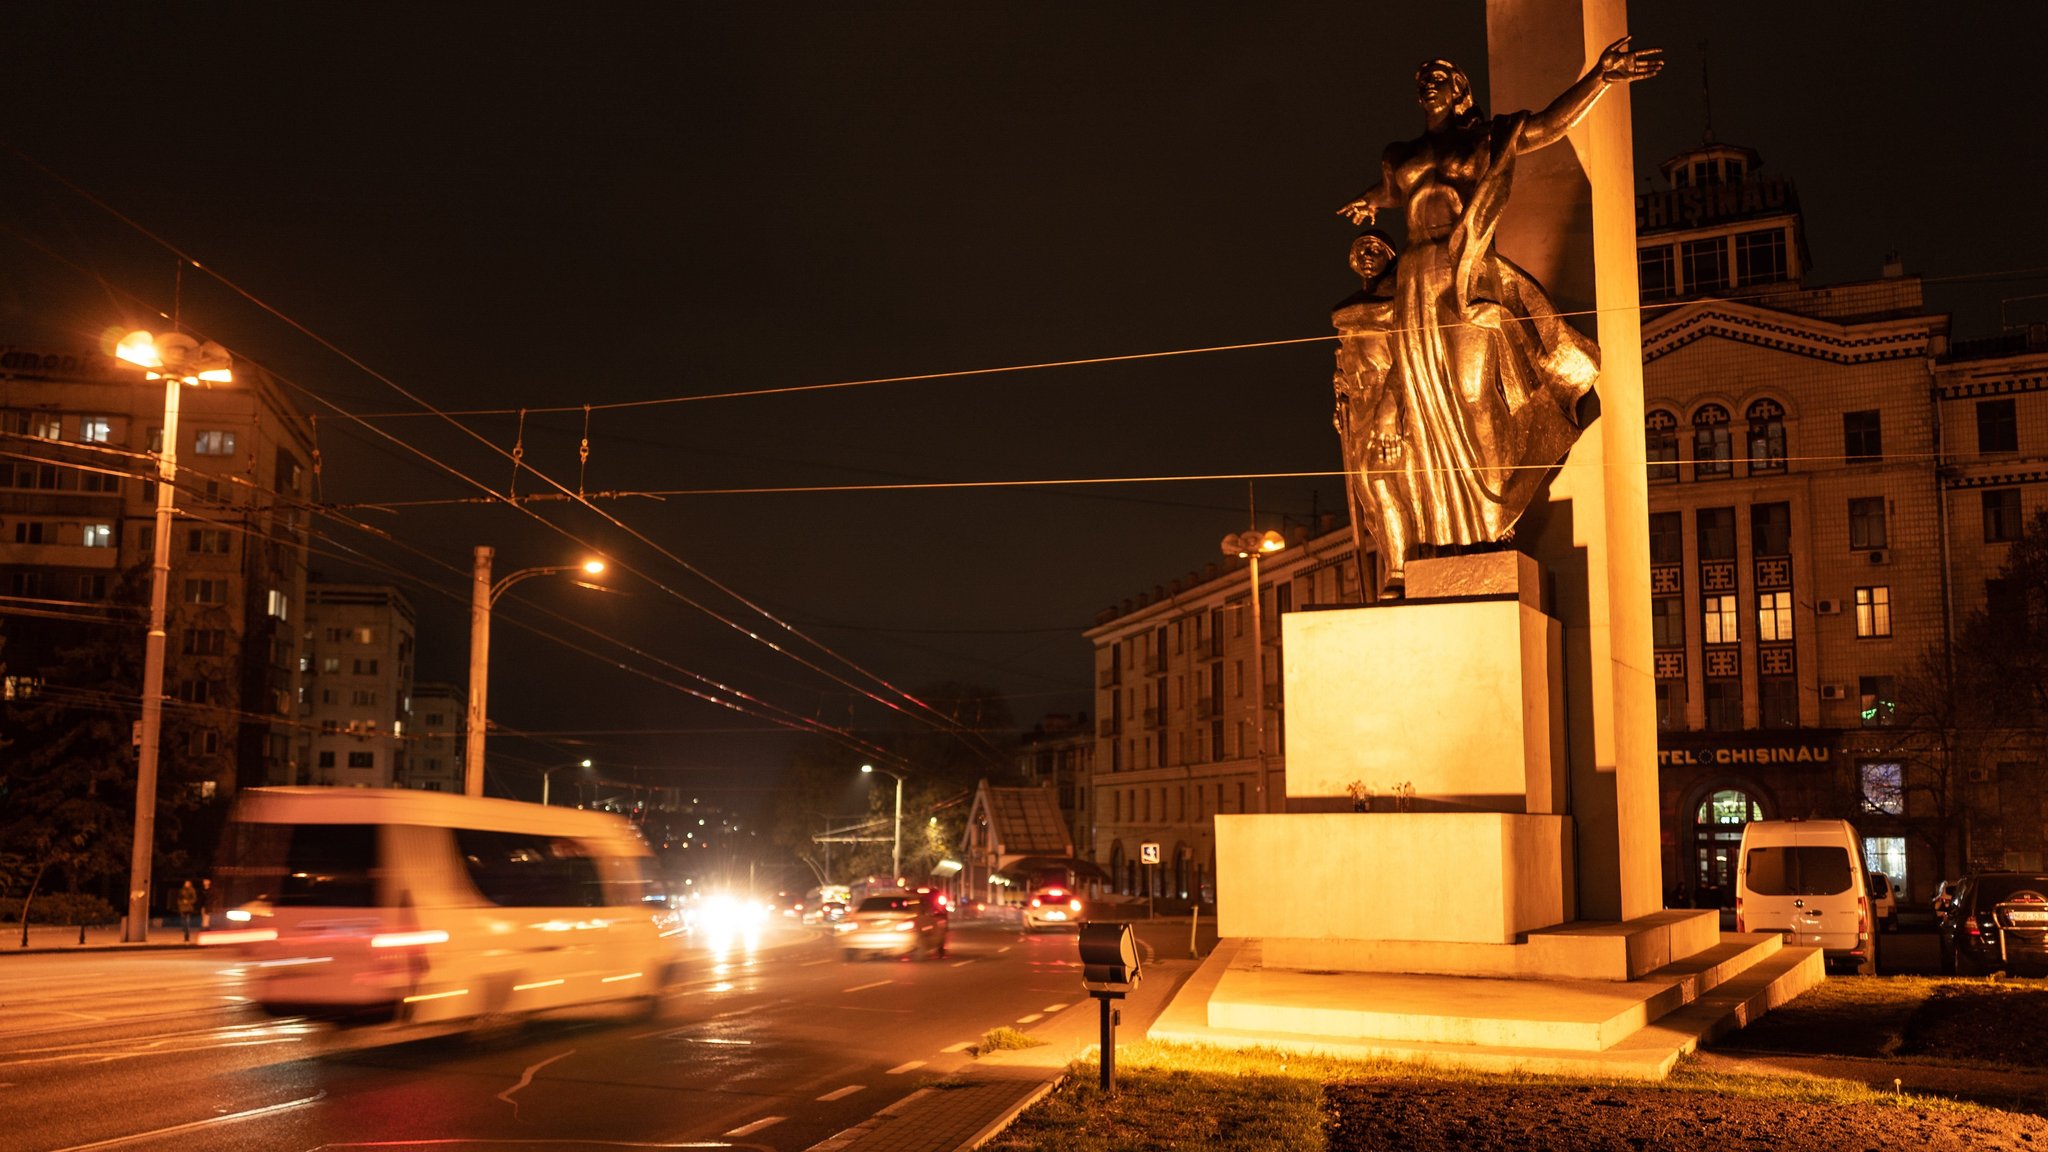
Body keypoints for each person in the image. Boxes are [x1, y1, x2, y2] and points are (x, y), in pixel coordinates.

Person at [1334, 38, 1661, 580]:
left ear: (1460, 89)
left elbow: (1550, 126)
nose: (1428, 82)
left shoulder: (1486, 136)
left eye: (1439, 74)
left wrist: (1602, 78)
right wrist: (1370, 200)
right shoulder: (1401, 153)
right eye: (1422, 76)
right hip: (1415, 277)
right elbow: (1393, 192)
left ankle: (1495, 515)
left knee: (1472, 393)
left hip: (1466, 267)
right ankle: (1447, 529)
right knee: (1423, 397)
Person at [1331, 230, 1415, 596]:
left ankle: (1400, 570)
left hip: (1387, 397)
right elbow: (1348, 352)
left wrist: (1390, 409)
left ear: (1390, 255)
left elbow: (1405, 353)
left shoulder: (1400, 296)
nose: (1367, 254)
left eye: (1376, 248)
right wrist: (1342, 386)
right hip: (1359, 403)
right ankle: (1393, 565)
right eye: (1360, 248)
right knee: (1368, 499)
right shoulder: (1351, 304)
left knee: (1385, 481)